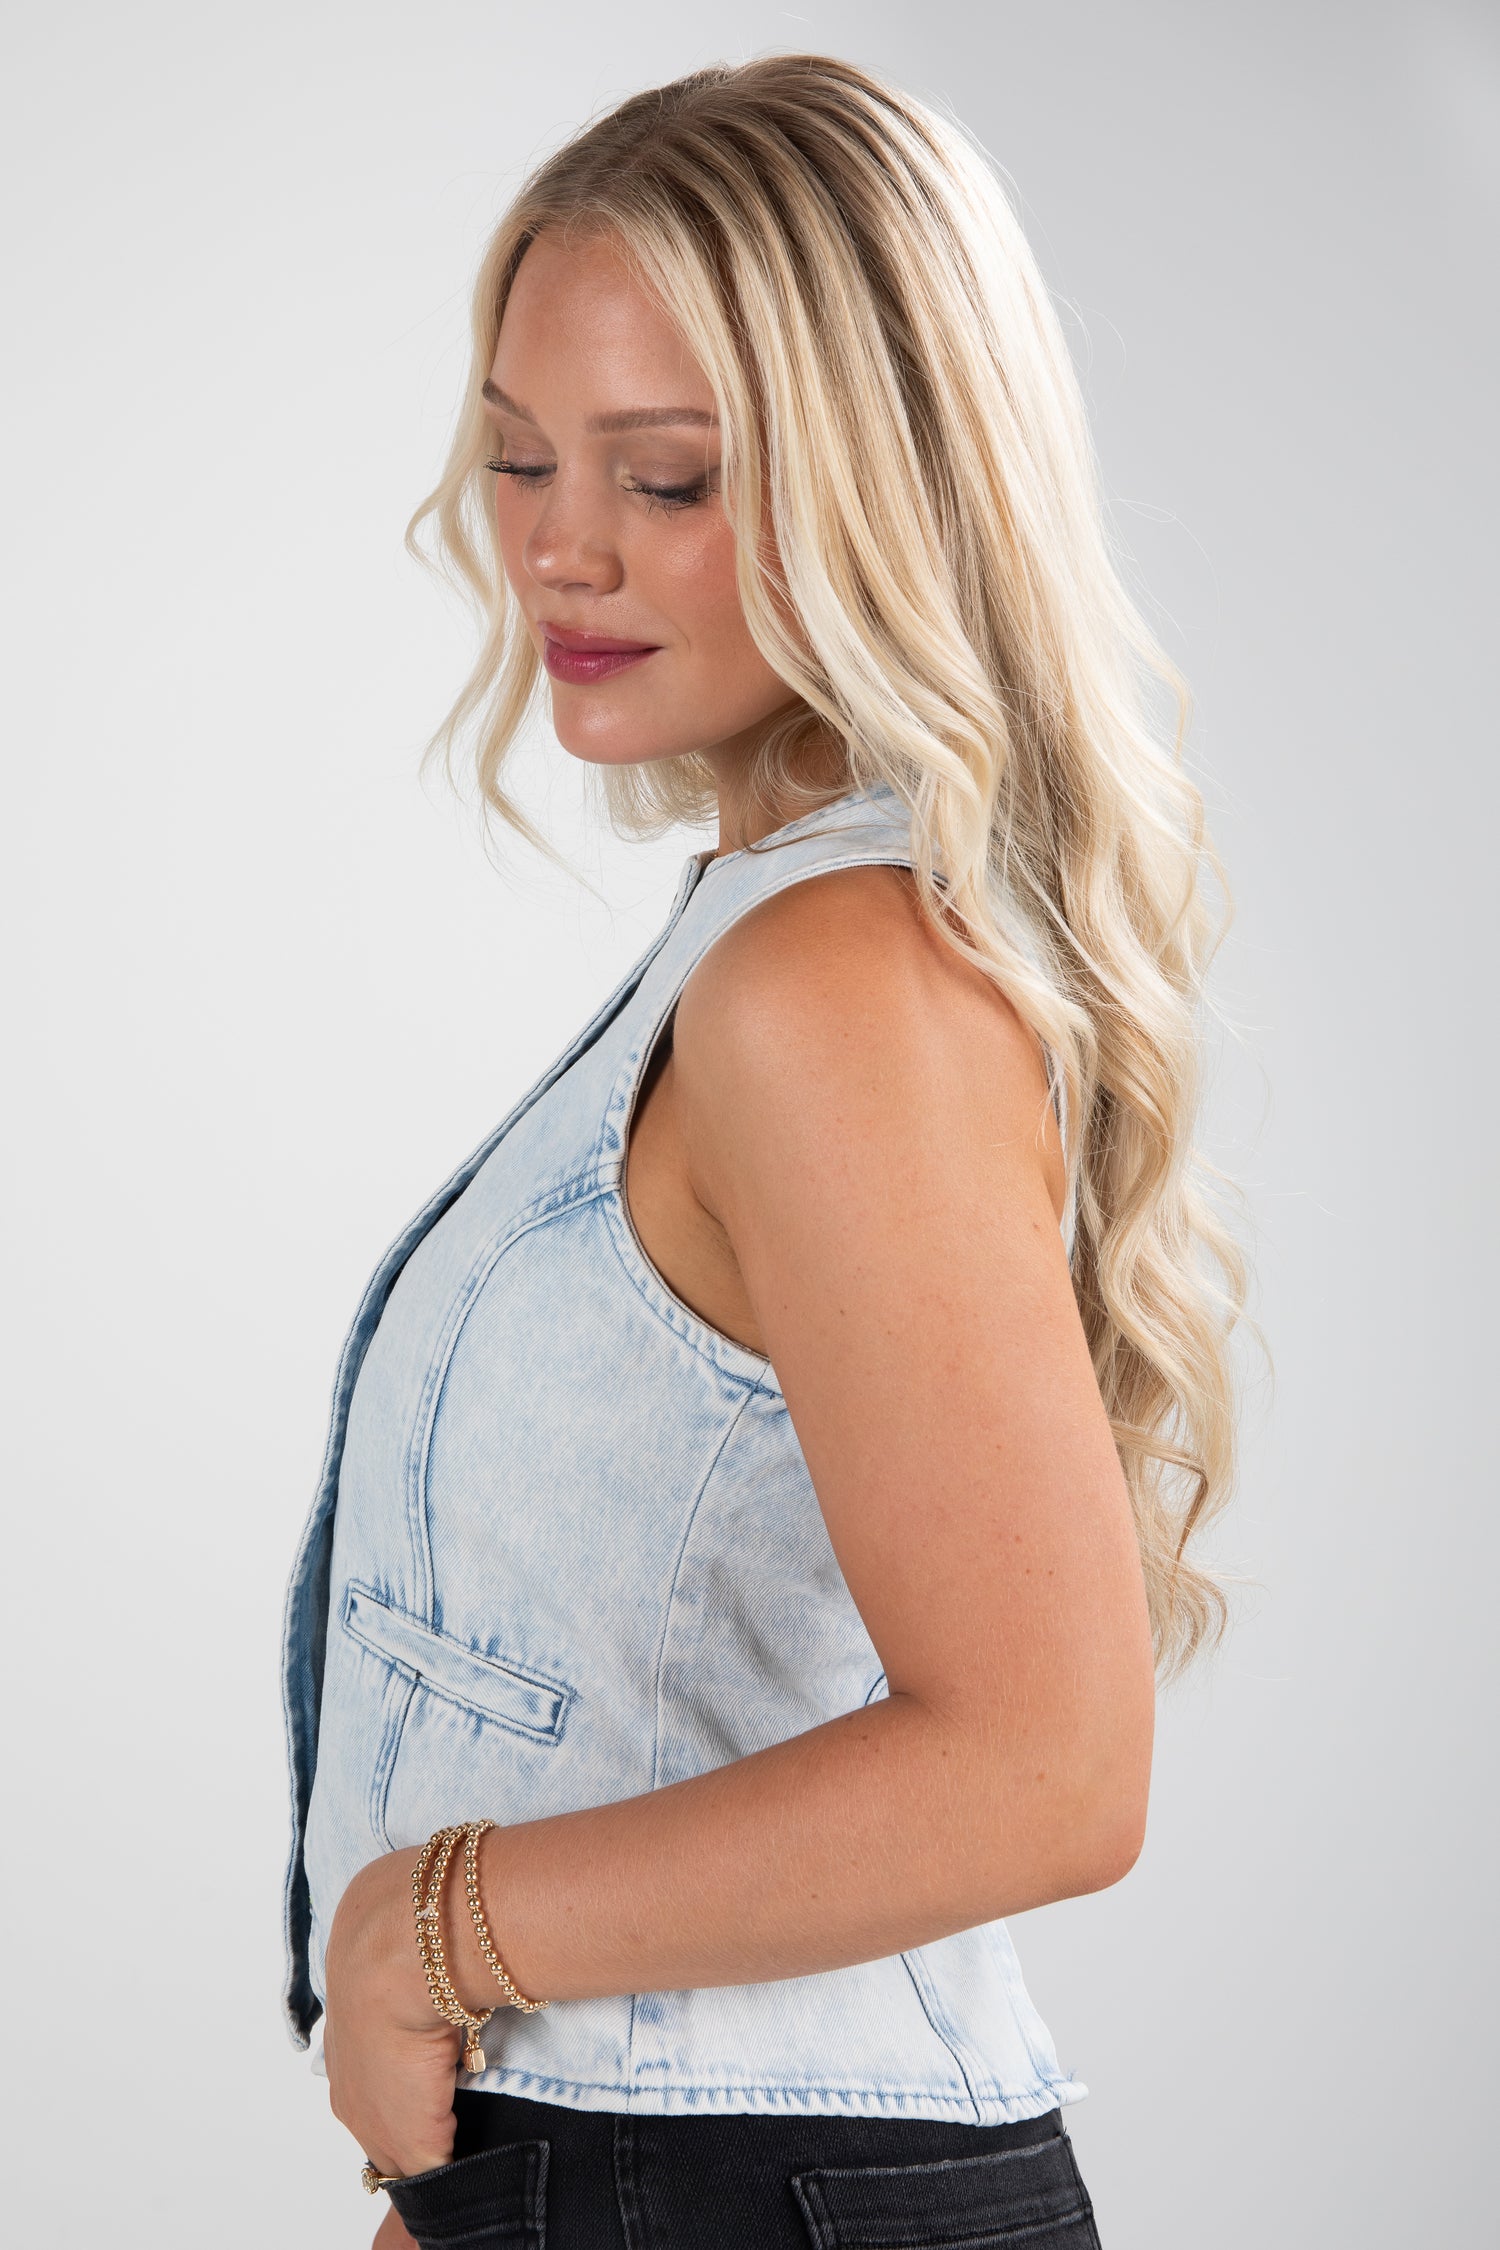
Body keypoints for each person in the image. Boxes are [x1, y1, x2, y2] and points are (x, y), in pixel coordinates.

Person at [279, 52, 1248, 2250]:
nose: (558, 543)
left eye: (674, 475)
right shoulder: (781, 935)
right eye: (521, 455)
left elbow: (1047, 1762)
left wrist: (426, 1929)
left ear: (893, 485)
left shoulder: (828, 984)